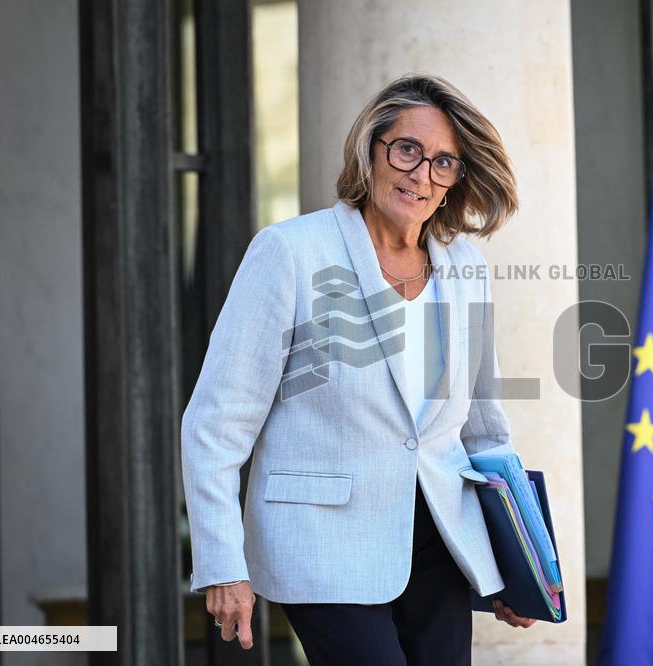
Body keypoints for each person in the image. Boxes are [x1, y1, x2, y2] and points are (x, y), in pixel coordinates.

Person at [181, 73, 536, 665]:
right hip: (322, 545)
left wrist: (511, 560)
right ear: (371, 151)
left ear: (456, 180)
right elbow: (217, 421)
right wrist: (221, 562)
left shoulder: (465, 267)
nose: (421, 174)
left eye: (443, 162)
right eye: (407, 150)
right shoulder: (290, 252)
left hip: (441, 544)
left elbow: (483, 430)